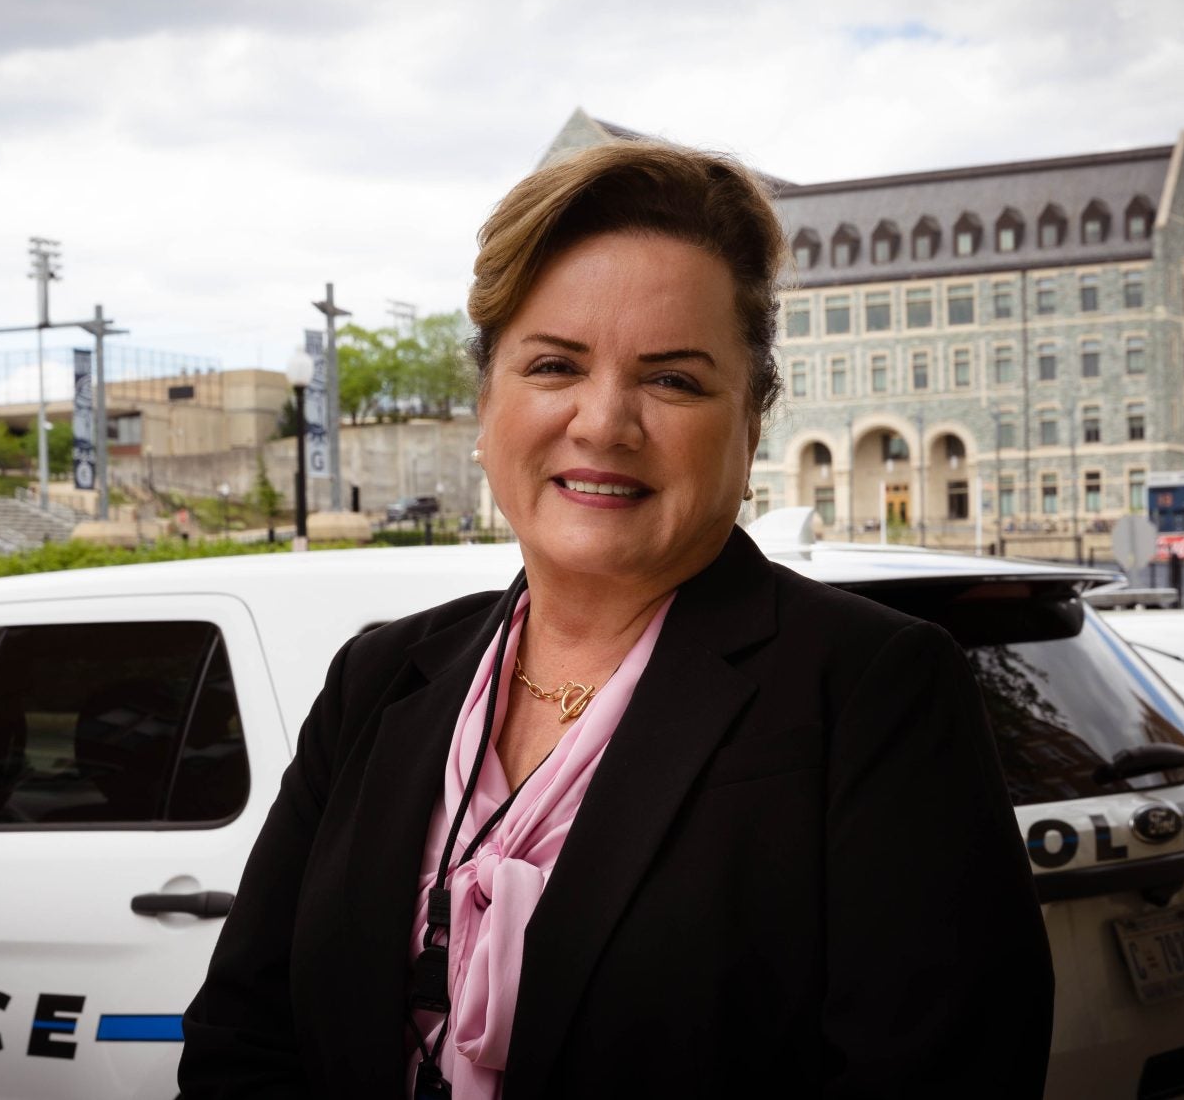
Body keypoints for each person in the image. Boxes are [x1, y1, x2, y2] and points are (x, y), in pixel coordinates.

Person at [179, 142, 1052, 1097]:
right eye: (554, 365)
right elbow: (244, 1037)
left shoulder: (872, 693)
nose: (604, 422)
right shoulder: (380, 680)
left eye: (673, 379)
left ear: (751, 424)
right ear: (487, 403)